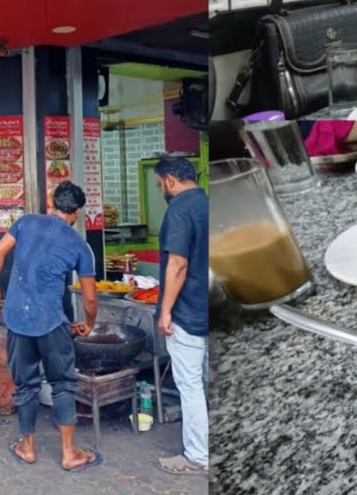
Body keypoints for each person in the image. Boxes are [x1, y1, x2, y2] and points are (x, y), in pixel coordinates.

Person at [0, 181, 101, 471]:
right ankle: (69, 453)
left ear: (52, 203)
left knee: (25, 384)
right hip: (51, 322)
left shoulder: (25, 223)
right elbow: (89, 297)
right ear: (76, 213)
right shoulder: (79, 246)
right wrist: (88, 323)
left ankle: (28, 447)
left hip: (17, 318)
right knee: (62, 383)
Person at [152, 157, 209, 476]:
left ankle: (198, 455)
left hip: (187, 310)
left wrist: (165, 311)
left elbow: (178, 264)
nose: (162, 190)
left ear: (171, 180)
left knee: (190, 385)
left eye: (160, 185)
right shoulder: (207, 202)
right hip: (211, 303)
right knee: (206, 380)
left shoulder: (179, 209)